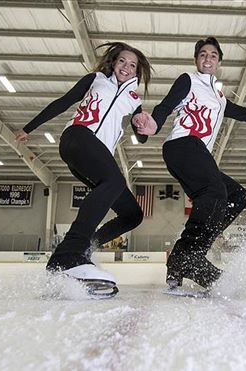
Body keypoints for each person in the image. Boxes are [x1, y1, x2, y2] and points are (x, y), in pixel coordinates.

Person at [134, 37, 246, 290]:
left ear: (219, 62)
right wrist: (154, 124)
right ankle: (189, 256)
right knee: (214, 193)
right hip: (183, 145)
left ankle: (182, 258)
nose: (207, 58)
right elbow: (166, 105)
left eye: (213, 55)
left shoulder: (220, 98)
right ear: (196, 59)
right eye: (202, 54)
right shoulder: (189, 80)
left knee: (237, 196)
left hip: (197, 153)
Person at [15, 42, 152, 298]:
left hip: (97, 155)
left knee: (132, 214)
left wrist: (143, 127)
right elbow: (64, 101)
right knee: (113, 180)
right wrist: (28, 128)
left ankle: (86, 247)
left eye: (132, 65)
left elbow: (141, 136)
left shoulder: (134, 100)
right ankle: (69, 254)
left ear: (137, 73)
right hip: (78, 137)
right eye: (122, 61)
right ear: (113, 62)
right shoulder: (96, 79)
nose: (126, 67)